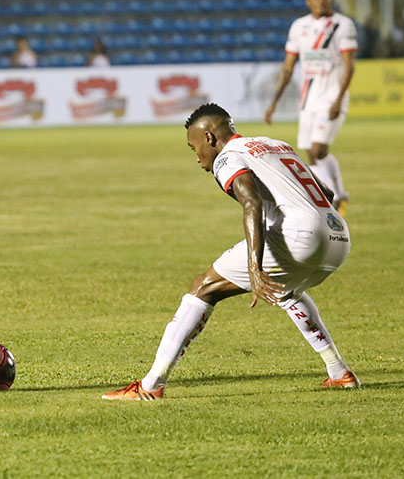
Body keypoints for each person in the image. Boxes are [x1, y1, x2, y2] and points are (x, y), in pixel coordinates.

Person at [103, 103, 359, 401]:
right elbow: (326, 193)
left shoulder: (228, 157)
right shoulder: (274, 144)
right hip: (338, 236)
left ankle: (150, 386)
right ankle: (339, 372)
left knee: (203, 286)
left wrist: (255, 267)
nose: (197, 157)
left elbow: (252, 203)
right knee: (286, 292)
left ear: (210, 138)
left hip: (302, 235)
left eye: (193, 147)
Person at [265, 0, 357, 217]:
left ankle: (332, 199)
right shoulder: (298, 27)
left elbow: (349, 66)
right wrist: (274, 101)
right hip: (308, 99)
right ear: (308, 1)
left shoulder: (342, 25)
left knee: (318, 149)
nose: (321, 1)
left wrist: (338, 99)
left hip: (331, 96)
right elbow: (288, 67)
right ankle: (340, 195)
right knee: (310, 152)